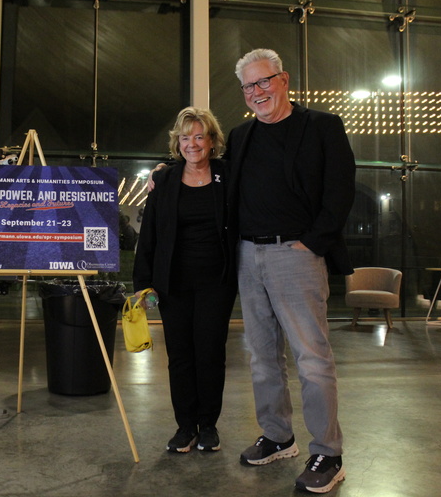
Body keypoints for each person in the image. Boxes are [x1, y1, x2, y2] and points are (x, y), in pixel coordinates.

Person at [227, 48, 355, 494]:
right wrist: (167, 171)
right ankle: (278, 435)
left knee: (311, 358)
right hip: (248, 254)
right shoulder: (240, 135)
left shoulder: (321, 126)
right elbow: (220, 180)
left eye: (264, 82)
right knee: (262, 357)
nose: (258, 92)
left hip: (295, 255)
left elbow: (340, 189)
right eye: (249, 86)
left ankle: (328, 451)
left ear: (283, 80)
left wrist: (312, 243)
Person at [133, 106, 237, 453]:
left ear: (211, 141)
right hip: (172, 285)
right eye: (185, 137)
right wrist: (143, 286)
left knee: (210, 354)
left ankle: (208, 426)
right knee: (179, 356)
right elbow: (148, 236)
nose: (192, 144)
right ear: (177, 143)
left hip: (216, 283)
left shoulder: (229, 175)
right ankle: (185, 427)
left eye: (199, 136)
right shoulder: (164, 179)